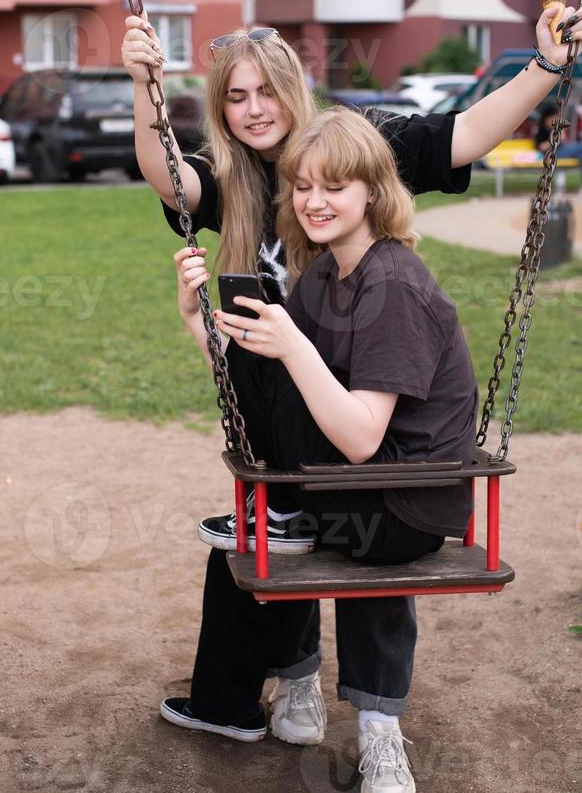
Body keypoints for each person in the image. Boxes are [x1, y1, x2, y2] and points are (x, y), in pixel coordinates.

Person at [121, 6, 582, 748]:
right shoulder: (236, 180)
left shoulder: (359, 148)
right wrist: (143, 83)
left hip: (370, 423)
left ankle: (367, 713)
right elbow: (168, 178)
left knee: (355, 520)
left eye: (265, 92)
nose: (253, 111)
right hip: (311, 418)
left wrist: (546, 69)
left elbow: (463, 132)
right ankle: (287, 681)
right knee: (272, 519)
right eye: (235, 99)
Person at [165, 105, 479, 791]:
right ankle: (300, 673)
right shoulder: (323, 277)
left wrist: (293, 345)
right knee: (263, 353)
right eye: (302, 186)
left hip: (404, 504)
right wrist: (198, 323)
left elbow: (364, 438)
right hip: (354, 488)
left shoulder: (390, 282)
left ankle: (378, 734)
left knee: (291, 531)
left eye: (334, 186)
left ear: (373, 191)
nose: (313, 201)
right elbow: (258, 394)